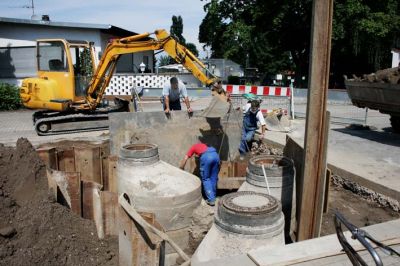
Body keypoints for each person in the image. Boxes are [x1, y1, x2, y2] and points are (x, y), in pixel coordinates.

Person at [180, 142, 220, 206]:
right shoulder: (205, 145)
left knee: (205, 178)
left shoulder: (193, 147)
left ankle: (211, 200)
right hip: (216, 155)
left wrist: (181, 168)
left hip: (207, 157)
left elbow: (185, 158)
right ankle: (213, 196)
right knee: (213, 177)